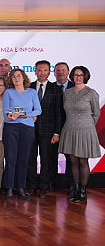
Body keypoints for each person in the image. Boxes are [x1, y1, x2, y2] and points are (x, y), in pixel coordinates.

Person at [59, 66, 100, 203]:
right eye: (76, 75)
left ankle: (83, 190)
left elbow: (96, 113)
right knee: (73, 161)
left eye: (81, 75)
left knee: (83, 160)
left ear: (85, 77)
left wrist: (86, 126)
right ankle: (76, 189)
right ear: (72, 76)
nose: (78, 77)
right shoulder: (67, 92)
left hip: (85, 130)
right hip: (69, 129)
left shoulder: (91, 93)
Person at [2, 68, 42, 200]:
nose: (16, 78)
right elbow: (6, 112)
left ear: (24, 77)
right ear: (10, 80)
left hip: (27, 128)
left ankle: (20, 187)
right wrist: (11, 116)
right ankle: (9, 187)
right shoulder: (8, 92)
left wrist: (26, 115)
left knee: (23, 159)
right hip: (11, 128)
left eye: (19, 76)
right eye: (13, 77)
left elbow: (38, 110)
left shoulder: (31, 92)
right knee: (11, 158)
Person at [27, 60, 62, 198]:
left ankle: (44, 186)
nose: (41, 73)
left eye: (45, 70)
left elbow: (58, 112)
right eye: (39, 70)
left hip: (48, 131)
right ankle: (31, 185)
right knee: (30, 159)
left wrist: (57, 132)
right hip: (29, 129)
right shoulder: (28, 87)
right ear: (35, 71)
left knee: (46, 160)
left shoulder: (55, 89)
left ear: (49, 72)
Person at [54, 61, 75, 193]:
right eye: (58, 71)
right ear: (54, 73)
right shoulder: (50, 87)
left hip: (72, 128)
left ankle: (72, 184)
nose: (60, 73)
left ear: (68, 72)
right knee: (50, 157)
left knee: (71, 158)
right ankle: (51, 183)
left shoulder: (76, 87)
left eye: (63, 70)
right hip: (53, 129)